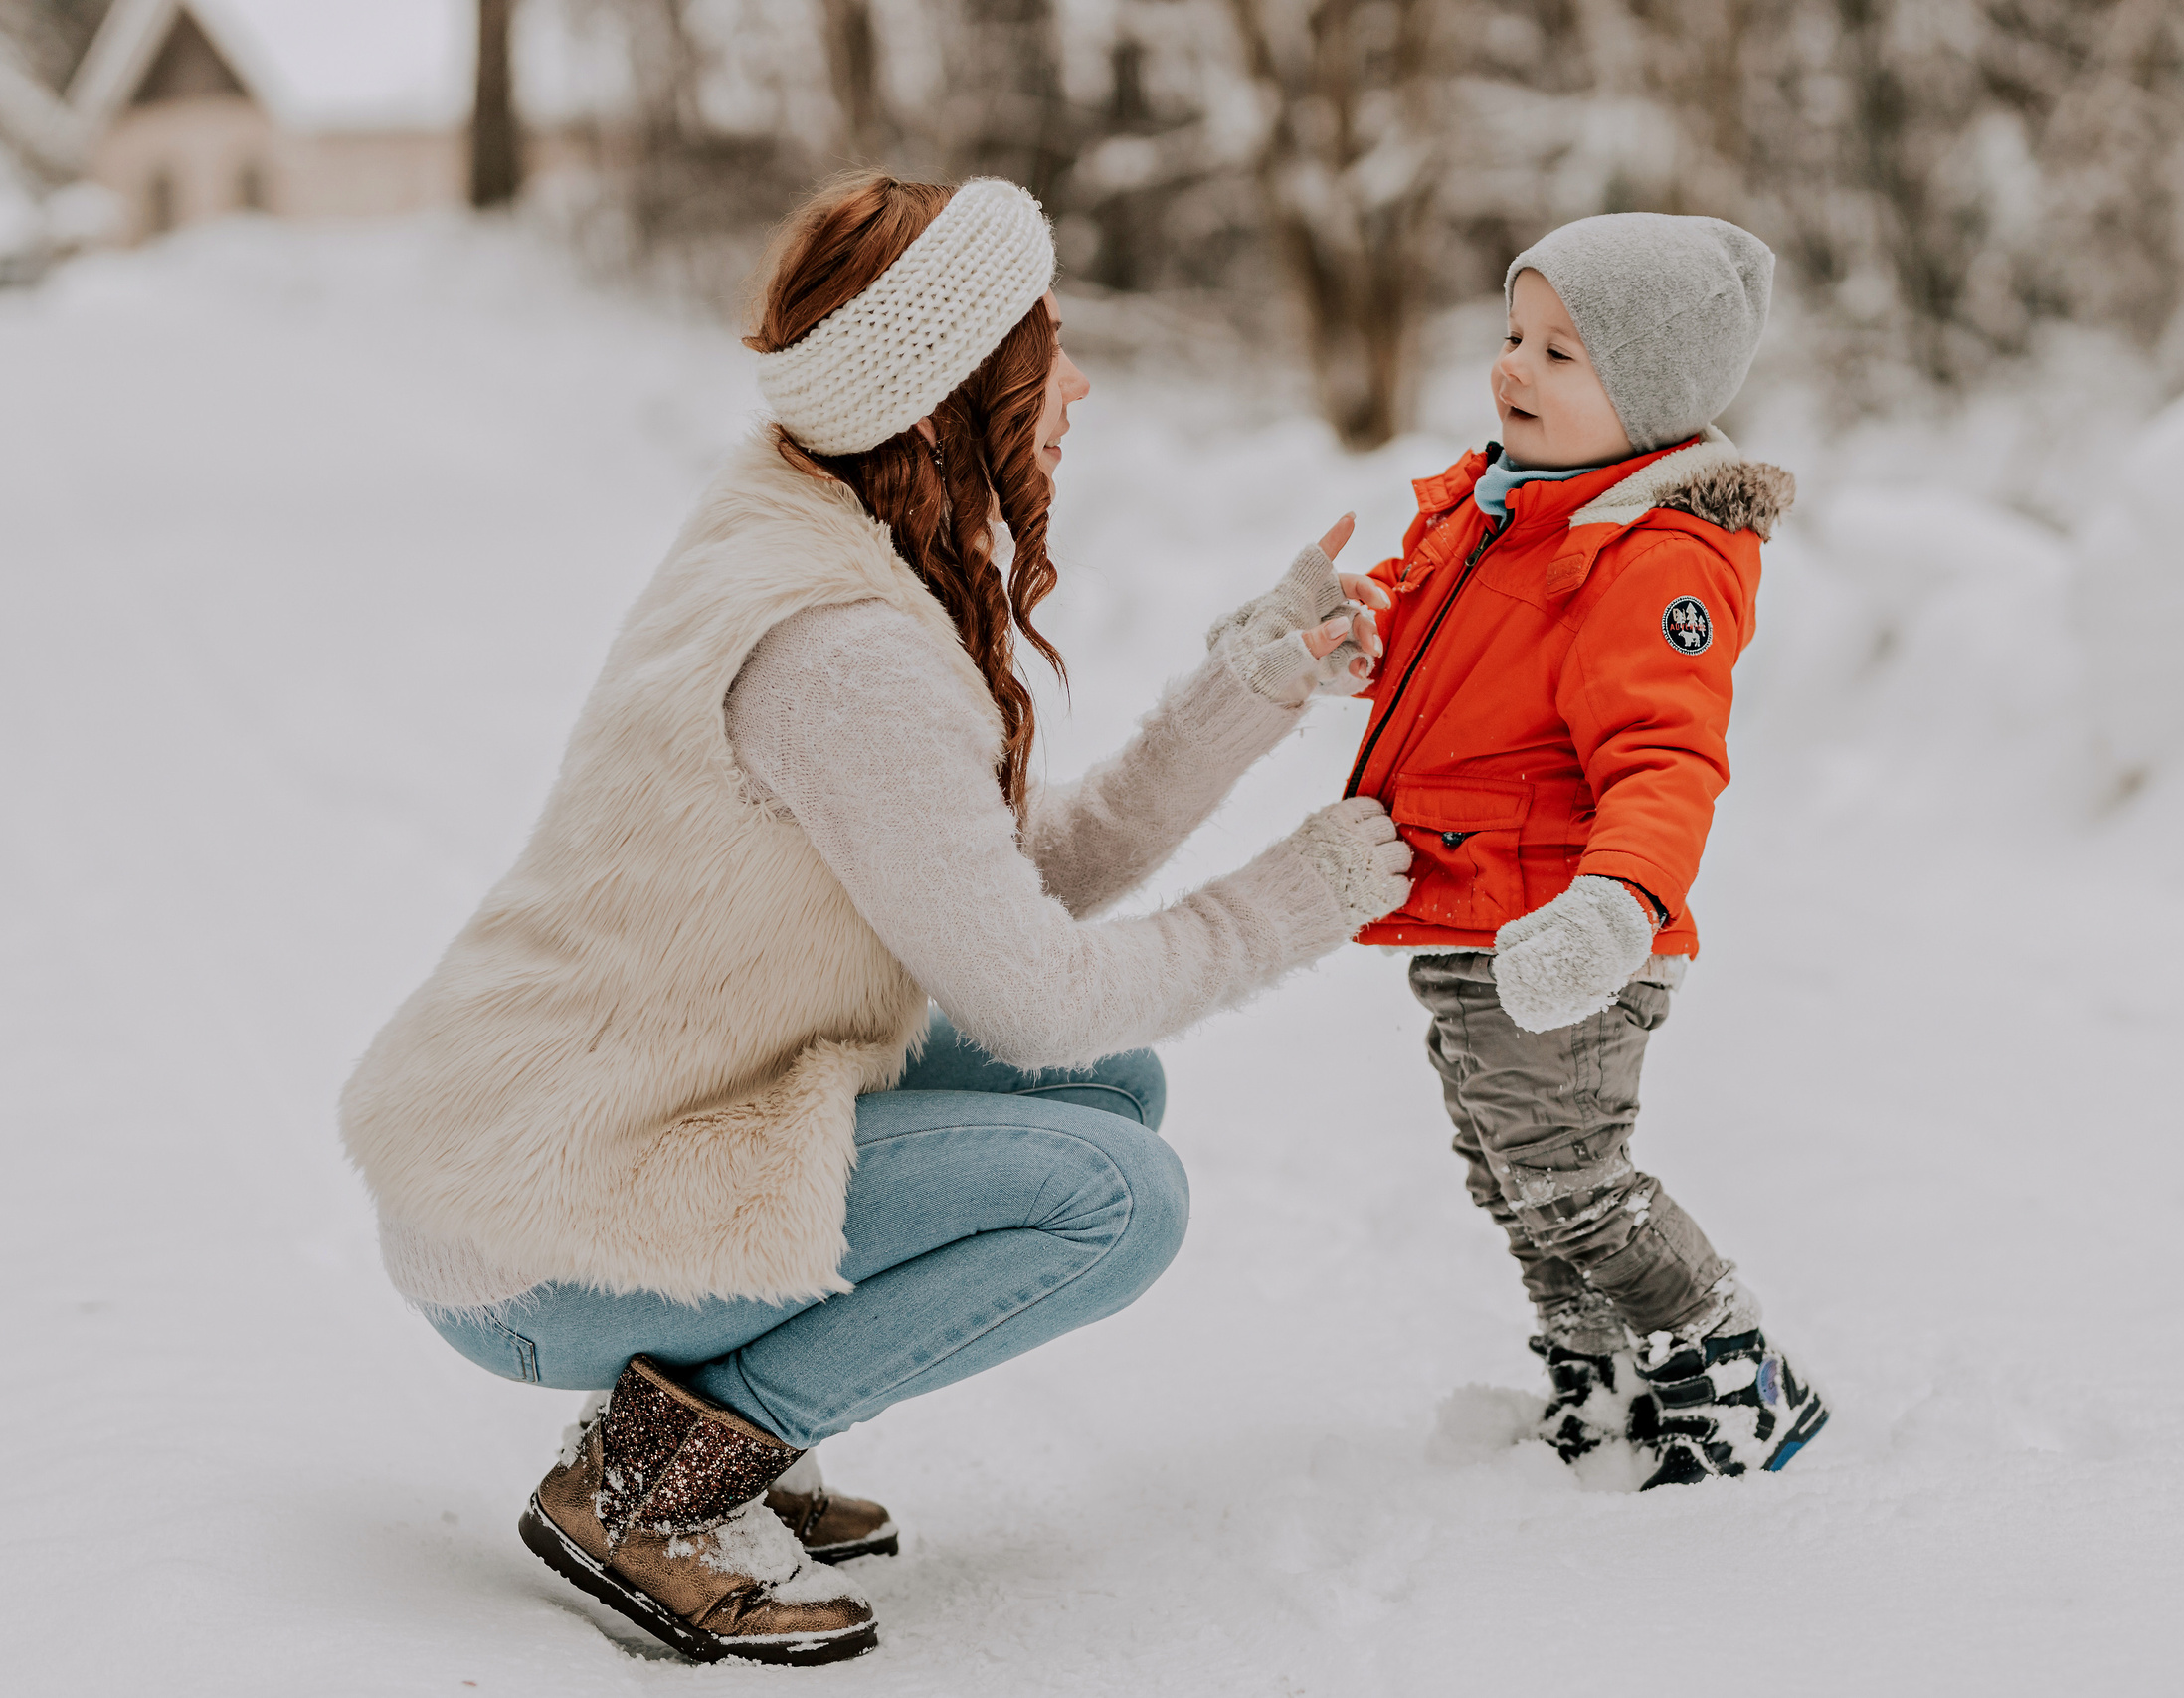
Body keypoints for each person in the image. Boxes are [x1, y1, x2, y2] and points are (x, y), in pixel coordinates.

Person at [337, 172, 1411, 1666]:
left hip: (604, 1136)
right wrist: (1297, 897)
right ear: (945, 390)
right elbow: (1034, 985)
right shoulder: (839, 645)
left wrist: (1257, 681)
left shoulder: (818, 523)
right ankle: (662, 1479)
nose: (1079, 380)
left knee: (1112, 1090)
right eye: (1048, 346)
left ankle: (711, 1413)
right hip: (537, 1228)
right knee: (1116, 1192)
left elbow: (1024, 874)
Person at [1320, 212, 1825, 1489]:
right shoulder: (1505, 509)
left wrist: (1617, 906)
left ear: (1647, 397)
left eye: (1560, 353)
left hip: (1569, 933)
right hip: (1470, 916)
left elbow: (1667, 757)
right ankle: (1597, 1376)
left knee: (1569, 1178)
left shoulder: (1648, 557)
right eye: (1511, 335)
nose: (1511, 370)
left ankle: (1732, 1374)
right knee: (1509, 1174)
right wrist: (1341, 632)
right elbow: (1431, 642)